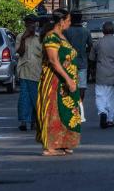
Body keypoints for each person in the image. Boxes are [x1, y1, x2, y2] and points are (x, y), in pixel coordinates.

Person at [36, 9, 81, 156]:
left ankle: (63, 143)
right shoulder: (51, 38)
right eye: (68, 20)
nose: (69, 23)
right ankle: (50, 146)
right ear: (61, 22)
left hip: (67, 82)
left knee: (67, 112)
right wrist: (68, 79)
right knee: (53, 111)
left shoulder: (61, 36)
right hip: (55, 81)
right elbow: (54, 61)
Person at [16, 15, 43, 132]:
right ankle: (23, 121)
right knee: (24, 98)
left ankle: (34, 121)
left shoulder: (40, 37)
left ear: (36, 24)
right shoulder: (20, 37)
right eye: (28, 24)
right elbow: (20, 52)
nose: (31, 26)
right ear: (25, 25)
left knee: (36, 98)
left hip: (37, 71)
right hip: (24, 71)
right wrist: (23, 39)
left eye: (33, 23)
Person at [64, 12, 90, 103]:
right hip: (82, 62)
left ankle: (73, 104)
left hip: (69, 62)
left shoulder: (66, 31)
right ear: (81, 19)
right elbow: (90, 46)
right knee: (82, 86)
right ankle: (80, 104)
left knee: (70, 84)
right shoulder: (86, 31)